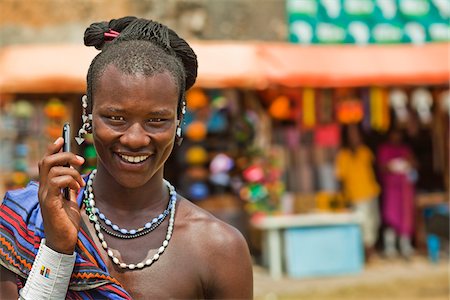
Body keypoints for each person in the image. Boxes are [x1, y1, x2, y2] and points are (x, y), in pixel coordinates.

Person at [0, 17, 253, 299]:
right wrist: (57, 248)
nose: (135, 139)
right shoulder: (28, 221)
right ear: (88, 114)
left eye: (157, 120)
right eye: (115, 118)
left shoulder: (218, 248)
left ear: (179, 119)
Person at [335, 124, 380, 261]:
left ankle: (370, 251)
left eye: (356, 134)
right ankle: (366, 254)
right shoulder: (343, 156)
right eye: (351, 134)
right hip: (355, 196)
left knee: (374, 222)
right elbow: (340, 179)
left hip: (371, 192)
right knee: (363, 225)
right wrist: (344, 198)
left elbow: (374, 169)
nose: (354, 137)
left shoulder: (365, 152)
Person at [377, 127, 416, 259]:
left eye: (398, 134)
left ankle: (405, 246)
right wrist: (391, 166)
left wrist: (408, 163)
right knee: (390, 216)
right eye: (394, 134)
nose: (396, 137)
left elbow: (414, 164)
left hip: (405, 190)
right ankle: (390, 247)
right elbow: (381, 167)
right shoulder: (384, 149)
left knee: (405, 217)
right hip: (391, 190)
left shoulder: (405, 149)